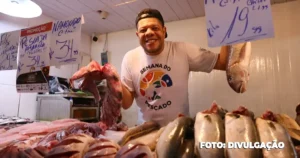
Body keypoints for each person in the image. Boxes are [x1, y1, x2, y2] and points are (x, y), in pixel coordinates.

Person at [120, 8, 230, 126]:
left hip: (180, 129)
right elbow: (125, 104)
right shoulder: (130, 58)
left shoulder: (183, 50)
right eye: (143, 30)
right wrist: (111, 79)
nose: (149, 32)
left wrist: (230, 27)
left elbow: (223, 63)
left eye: (155, 28)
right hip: (145, 131)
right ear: (138, 34)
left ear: (164, 30)